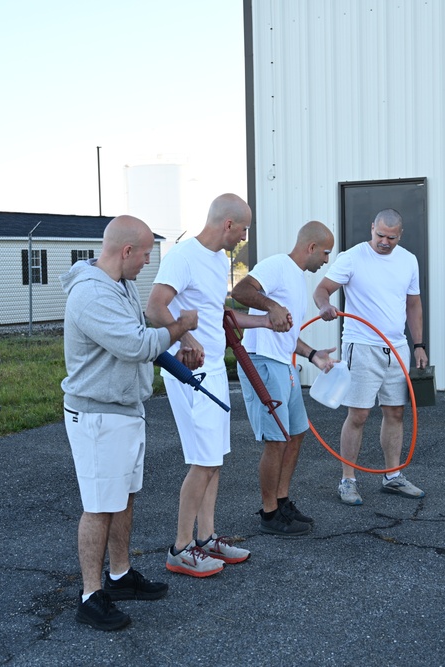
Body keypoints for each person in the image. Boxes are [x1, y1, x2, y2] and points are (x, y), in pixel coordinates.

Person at [61, 215, 199, 631]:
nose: (146, 264)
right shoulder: (90, 295)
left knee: (123, 499)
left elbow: (139, 337)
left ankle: (119, 576)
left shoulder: (120, 284)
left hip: (123, 410)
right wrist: (180, 328)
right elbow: (138, 344)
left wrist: (176, 351)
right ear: (126, 251)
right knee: (100, 507)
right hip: (98, 414)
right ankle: (90, 596)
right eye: (144, 255)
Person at [146, 193, 274, 577]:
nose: (245, 237)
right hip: (190, 371)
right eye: (245, 229)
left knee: (214, 460)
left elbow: (220, 316)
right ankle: (180, 549)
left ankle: (206, 538)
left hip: (215, 369)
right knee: (203, 461)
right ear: (229, 224)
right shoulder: (183, 257)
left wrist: (265, 322)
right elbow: (155, 307)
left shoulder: (220, 260)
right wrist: (186, 339)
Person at [313, 208, 428, 505]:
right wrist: (324, 306)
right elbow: (322, 289)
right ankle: (347, 480)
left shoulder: (408, 260)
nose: (385, 242)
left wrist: (419, 345)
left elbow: (413, 305)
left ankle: (392, 476)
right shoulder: (352, 257)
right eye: (380, 235)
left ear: (399, 235)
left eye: (391, 237)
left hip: (398, 347)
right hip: (361, 345)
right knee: (359, 414)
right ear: (371, 228)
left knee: (395, 412)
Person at [231, 220, 338, 536]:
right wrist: (271, 305)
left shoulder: (296, 278)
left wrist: (312, 354)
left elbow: (287, 333)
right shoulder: (277, 265)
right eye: (326, 253)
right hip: (262, 363)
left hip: (284, 363)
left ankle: (282, 501)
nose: (326, 261)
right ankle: (269, 515)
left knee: (296, 433)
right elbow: (240, 290)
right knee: (277, 440)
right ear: (311, 248)